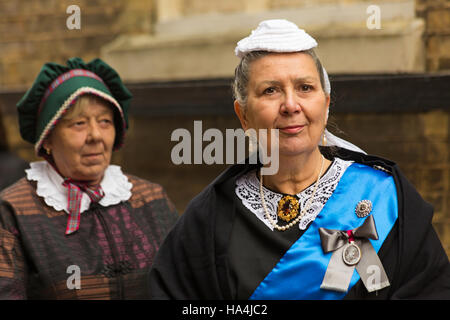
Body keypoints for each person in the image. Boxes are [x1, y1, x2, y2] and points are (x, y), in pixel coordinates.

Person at [148, 19, 450, 299]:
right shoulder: (210, 216)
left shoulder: (384, 196)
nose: (291, 105)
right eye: (270, 91)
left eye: (305, 88)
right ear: (243, 115)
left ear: (326, 103)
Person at [0, 57, 179, 299]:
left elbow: (184, 286)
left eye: (105, 121)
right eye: (78, 123)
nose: (95, 135)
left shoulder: (150, 197)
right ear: (48, 139)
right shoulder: (13, 211)